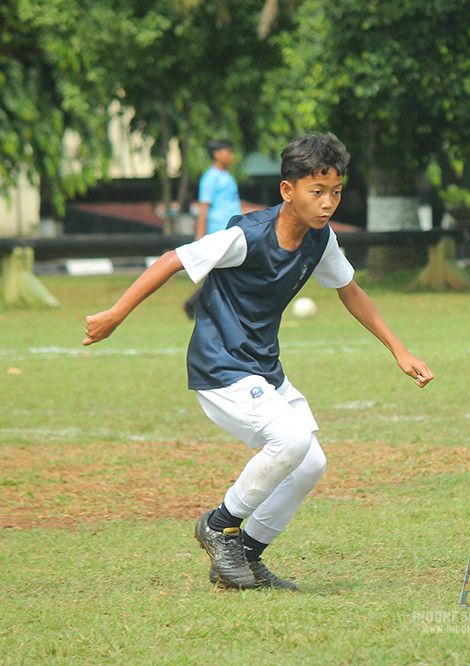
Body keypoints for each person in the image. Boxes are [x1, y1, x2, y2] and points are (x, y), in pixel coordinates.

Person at [83, 133, 434, 590]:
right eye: (317, 191)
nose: (328, 203)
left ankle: (244, 555)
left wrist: (399, 350)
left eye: (336, 192)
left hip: (262, 368)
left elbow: (351, 290)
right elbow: (173, 260)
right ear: (288, 191)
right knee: (289, 440)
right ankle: (218, 525)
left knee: (310, 462)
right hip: (220, 367)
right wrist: (115, 314)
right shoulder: (245, 236)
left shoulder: (319, 240)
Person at [183, 139, 244, 319]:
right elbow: (204, 208)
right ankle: (198, 304)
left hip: (233, 229)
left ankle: (195, 303)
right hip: (219, 230)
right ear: (217, 154)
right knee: (226, 273)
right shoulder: (210, 178)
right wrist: (200, 236)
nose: (231, 156)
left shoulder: (226, 176)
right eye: (228, 152)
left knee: (226, 273)